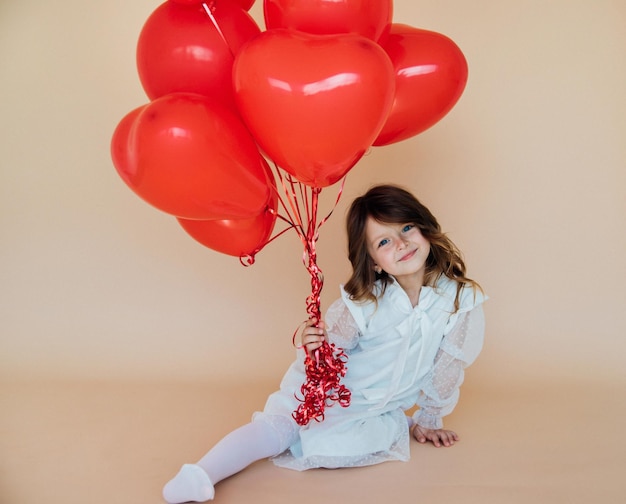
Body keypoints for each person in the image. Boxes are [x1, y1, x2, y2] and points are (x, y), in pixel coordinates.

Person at [162, 184, 486, 503]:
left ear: (425, 228)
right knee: (279, 429)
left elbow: (449, 362)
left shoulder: (460, 299)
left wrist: (430, 418)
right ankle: (200, 473)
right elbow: (329, 356)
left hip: (377, 409)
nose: (401, 243)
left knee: (364, 438)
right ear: (373, 261)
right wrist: (312, 345)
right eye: (384, 241)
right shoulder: (364, 303)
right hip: (327, 394)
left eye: (407, 228)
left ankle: (383, 424)